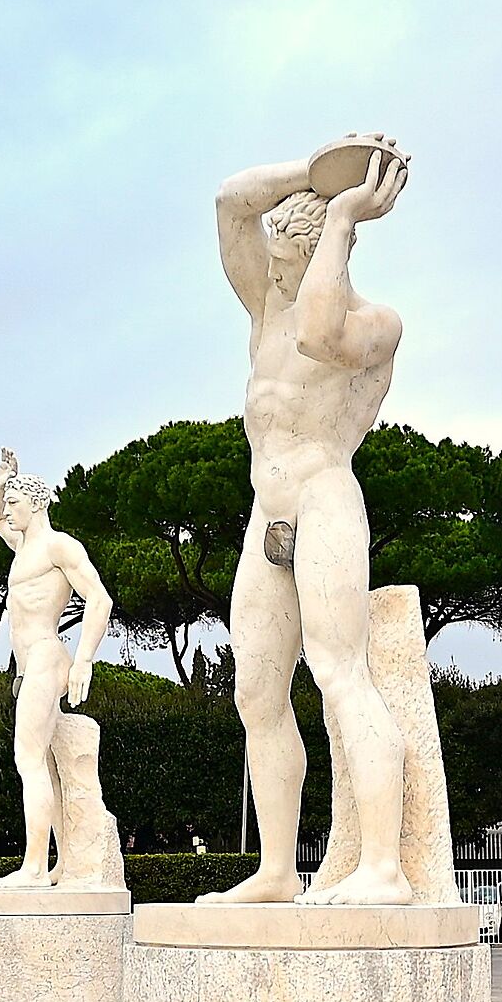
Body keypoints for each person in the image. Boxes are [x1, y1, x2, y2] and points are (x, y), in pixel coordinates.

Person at [206, 133, 415, 907]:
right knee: (257, 696)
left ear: (334, 248)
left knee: (338, 674)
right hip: (268, 515)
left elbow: (322, 331)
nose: (276, 273)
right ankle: (276, 869)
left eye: (289, 263)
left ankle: (383, 867)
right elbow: (229, 203)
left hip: (326, 498)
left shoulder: (376, 324)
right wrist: (315, 175)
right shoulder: (267, 310)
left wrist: (341, 214)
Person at [0, 449, 114, 888]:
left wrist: (84, 661)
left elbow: (100, 599)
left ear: (36, 504)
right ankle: (59, 864)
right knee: (48, 766)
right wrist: (1, 481)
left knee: (28, 760)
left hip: (45, 658)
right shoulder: (22, 546)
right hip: (28, 666)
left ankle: (34, 867)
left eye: (15, 502)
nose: (8, 510)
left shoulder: (60, 546)